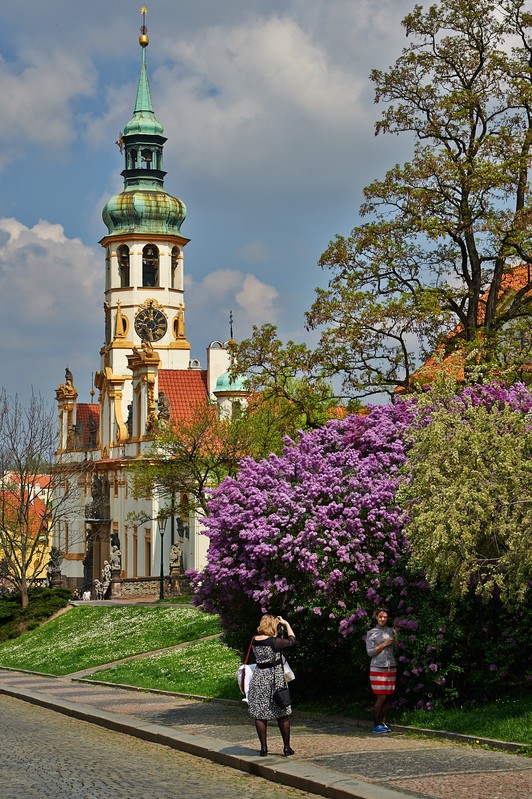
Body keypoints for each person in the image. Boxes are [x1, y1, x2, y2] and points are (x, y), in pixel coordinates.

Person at [247, 614, 296, 757]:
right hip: (274, 679)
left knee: (260, 715)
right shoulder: (274, 642)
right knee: (282, 713)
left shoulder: (254, 640)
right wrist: (286, 625)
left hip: (259, 678)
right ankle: (286, 748)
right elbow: (292, 640)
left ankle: (263, 748)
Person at [365, 607, 397, 733]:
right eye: (380, 617)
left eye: (385, 617)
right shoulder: (371, 633)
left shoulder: (391, 631)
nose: (383, 619)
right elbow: (370, 652)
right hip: (377, 668)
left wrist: (396, 638)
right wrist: (384, 644)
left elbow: (395, 650)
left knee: (389, 697)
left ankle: (383, 723)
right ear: (376, 617)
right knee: (381, 697)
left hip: (391, 667)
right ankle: (376, 724)